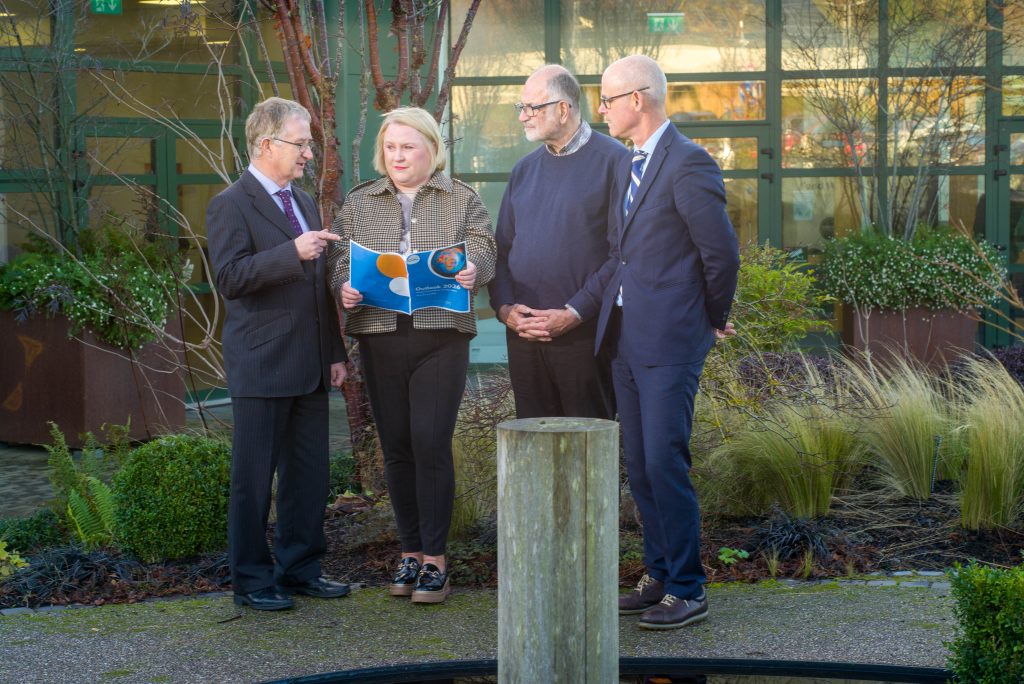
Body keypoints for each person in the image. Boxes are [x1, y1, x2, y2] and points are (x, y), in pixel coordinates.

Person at [594, 56, 740, 630]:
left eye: (606, 99)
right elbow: (620, 254)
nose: (600, 110)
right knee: (640, 464)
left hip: (672, 337)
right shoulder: (628, 163)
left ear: (638, 99)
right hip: (626, 338)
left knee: (665, 461)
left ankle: (687, 587)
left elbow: (720, 252)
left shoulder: (689, 162)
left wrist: (710, 318)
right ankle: (658, 574)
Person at [328, 107, 496, 605]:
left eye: (408, 147)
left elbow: (485, 249)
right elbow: (339, 260)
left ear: (431, 150)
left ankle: (436, 561)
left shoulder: (462, 198)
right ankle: (409, 551)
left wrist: (474, 272)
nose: (398, 156)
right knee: (397, 445)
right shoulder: (359, 203)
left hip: (440, 335)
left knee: (429, 440)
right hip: (379, 334)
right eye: (391, 148)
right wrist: (343, 286)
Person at [207, 97, 352, 611]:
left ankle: (300, 569)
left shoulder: (305, 202)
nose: (309, 153)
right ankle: (250, 580)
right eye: (301, 142)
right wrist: (290, 252)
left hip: (312, 365)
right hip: (262, 365)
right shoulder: (231, 203)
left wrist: (335, 352)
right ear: (266, 144)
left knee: (308, 476)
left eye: (309, 143)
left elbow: (317, 290)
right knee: (253, 480)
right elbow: (229, 279)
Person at [488, 64, 628, 419]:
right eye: (520, 107)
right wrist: (505, 309)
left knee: (587, 450)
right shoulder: (524, 169)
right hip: (525, 335)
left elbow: (623, 254)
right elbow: (500, 250)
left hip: (585, 336)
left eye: (532, 107)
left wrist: (575, 312)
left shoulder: (615, 162)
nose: (523, 117)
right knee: (533, 444)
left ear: (563, 109)